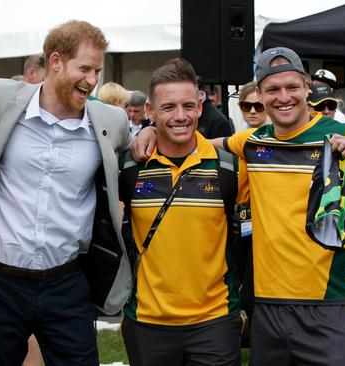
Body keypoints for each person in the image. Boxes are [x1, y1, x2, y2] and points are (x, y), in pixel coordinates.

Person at [132, 47, 345, 365]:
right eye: (273, 89)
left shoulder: (343, 135)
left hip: (328, 305)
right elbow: (193, 144)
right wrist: (150, 129)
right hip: (267, 309)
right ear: (259, 93)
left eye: (291, 87)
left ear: (306, 87)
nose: (283, 97)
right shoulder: (251, 142)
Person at [0, 20, 132, 365]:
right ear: (55, 62)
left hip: (66, 283)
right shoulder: (0, 97)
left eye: (97, 70)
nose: (92, 80)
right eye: (84, 68)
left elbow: (141, 145)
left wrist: (148, 138)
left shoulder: (112, 120)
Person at [119, 58, 241, 365]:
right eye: (168, 107)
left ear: (201, 106)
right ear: (150, 111)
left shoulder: (228, 167)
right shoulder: (128, 168)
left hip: (214, 321)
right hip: (148, 321)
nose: (180, 116)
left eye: (188, 106)